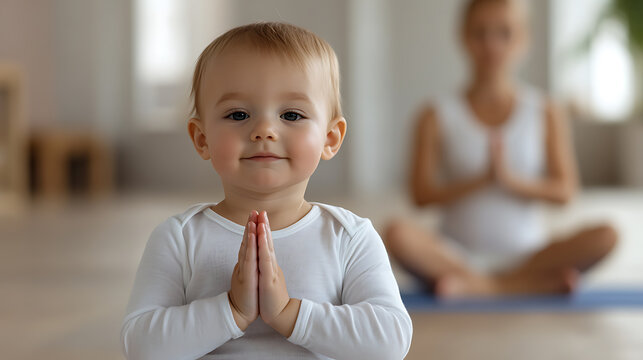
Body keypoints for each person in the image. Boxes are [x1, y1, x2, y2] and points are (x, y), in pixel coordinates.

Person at [120, 22, 412, 359]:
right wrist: (231, 310)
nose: (264, 130)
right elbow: (140, 345)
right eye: (238, 114)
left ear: (330, 138)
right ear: (202, 139)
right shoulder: (179, 238)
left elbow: (390, 341)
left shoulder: (349, 237)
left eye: (291, 114)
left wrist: (289, 314)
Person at [384, 0, 618, 298]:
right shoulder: (434, 114)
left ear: (524, 39)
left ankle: (482, 288)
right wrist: (479, 181)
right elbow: (420, 196)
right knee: (396, 234)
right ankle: (520, 287)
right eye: (480, 33)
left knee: (607, 236)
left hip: (529, 256)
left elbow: (565, 192)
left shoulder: (546, 111)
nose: (491, 45)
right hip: (455, 255)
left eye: (504, 33)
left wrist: (509, 180)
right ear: (463, 37)